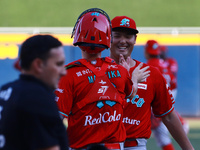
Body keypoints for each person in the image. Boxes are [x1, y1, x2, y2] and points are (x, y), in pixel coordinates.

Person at [55, 8, 149, 150]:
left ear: (77, 37)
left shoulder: (67, 75)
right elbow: (131, 93)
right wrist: (132, 77)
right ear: (107, 39)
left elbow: (55, 119)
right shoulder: (120, 71)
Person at [109, 16, 194, 150]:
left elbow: (169, 116)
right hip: (103, 145)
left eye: (128, 36)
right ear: (108, 37)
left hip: (135, 146)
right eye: (117, 35)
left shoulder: (152, 73)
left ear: (135, 40)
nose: (123, 41)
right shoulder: (97, 71)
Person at [0, 34, 68, 150]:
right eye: (58, 64)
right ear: (38, 65)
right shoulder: (38, 98)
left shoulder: (5, 90)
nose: (63, 72)